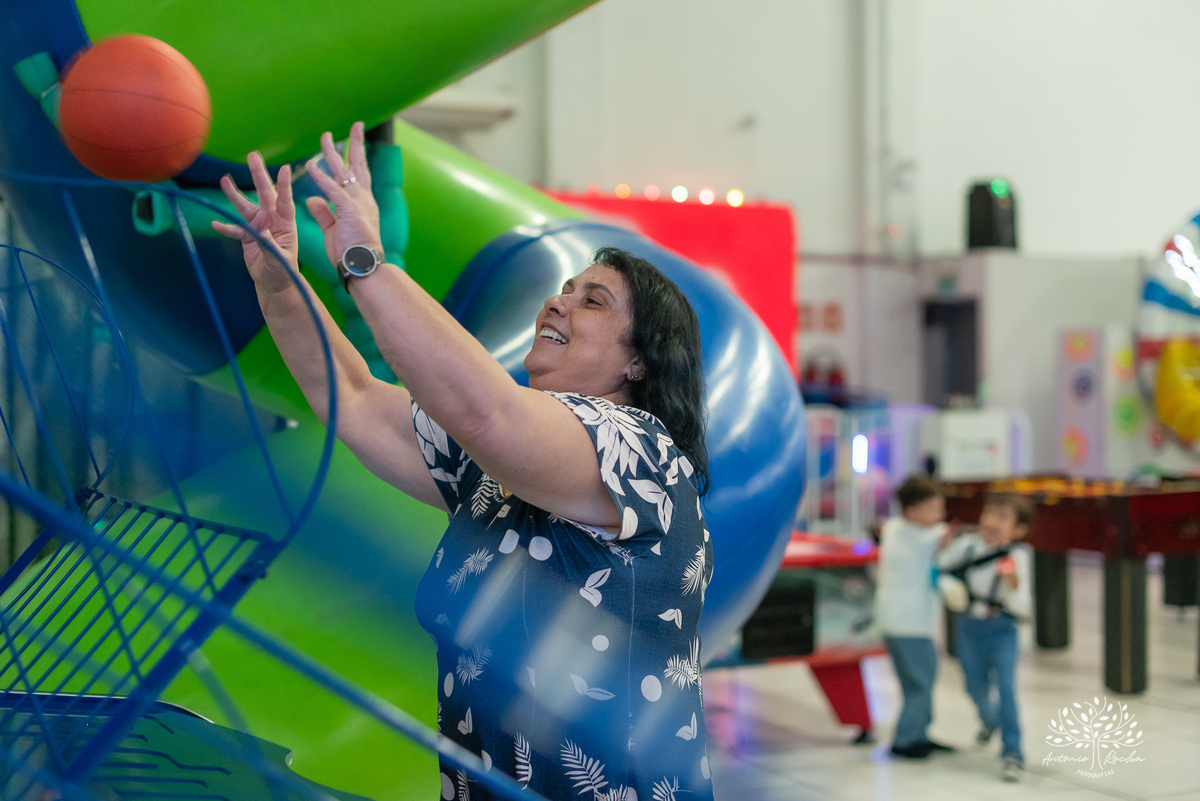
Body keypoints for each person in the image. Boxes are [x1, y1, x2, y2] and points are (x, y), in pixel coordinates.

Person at [213, 123, 715, 801]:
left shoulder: (641, 451)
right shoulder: (493, 475)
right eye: (565, 286)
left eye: (592, 299)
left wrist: (366, 260)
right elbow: (355, 397)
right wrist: (281, 283)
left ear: (638, 361)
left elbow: (490, 411)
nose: (559, 299)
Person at [938, 493, 1032, 783]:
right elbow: (941, 567)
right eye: (989, 514)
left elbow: (1023, 605)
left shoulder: (1018, 557)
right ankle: (990, 720)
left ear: (1019, 530)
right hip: (969, 627)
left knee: (1006, 690)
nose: (991, 522)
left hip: (1002, 630)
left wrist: (1013, 583)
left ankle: (1012, 752)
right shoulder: (966, 547)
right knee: (974, 686)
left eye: (1003, 518)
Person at [874, 475, 955, 759]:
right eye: (934, 508)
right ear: (912, 512)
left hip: (899, 623)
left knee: (916, 681)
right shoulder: (918, 536)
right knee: (921, 682)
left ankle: (919, 732)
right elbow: (948, 535)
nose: (941, 515)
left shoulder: (894, 529)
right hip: (910, 625)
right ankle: (906, 740)